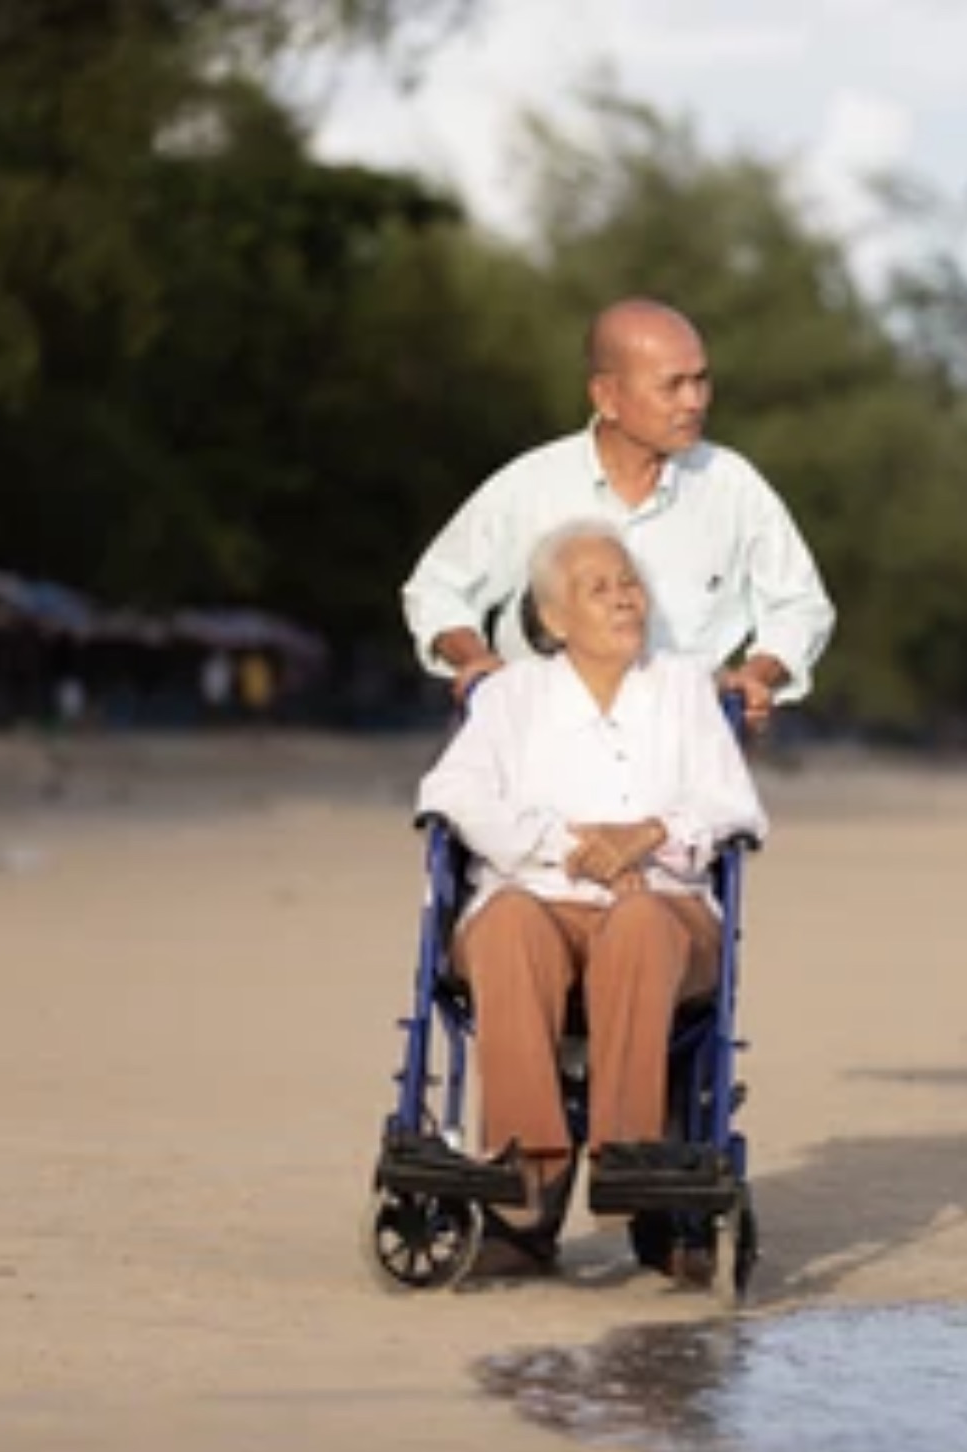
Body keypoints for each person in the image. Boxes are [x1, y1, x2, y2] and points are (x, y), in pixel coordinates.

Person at [416, 520, 769, 1269]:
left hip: (664, 908)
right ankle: (527, 1177)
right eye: (598, 588)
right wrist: (569, 847)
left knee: (639, 919)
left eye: (628, 583)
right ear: (552, 619)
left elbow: (735, 807)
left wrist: (644, 835)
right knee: (507, 922)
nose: (622, 599)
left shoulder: (683, 689)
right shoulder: (513, 696)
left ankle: (627, 1156)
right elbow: (450, 792)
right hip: (536, 897)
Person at [401, 297, 836, 728]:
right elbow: (435, 589)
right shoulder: (530, 484)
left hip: (684, 755)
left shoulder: (734, 487)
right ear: (606, 396)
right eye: (673, 385)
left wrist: (756, 676)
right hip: (537, 748)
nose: (694, 401)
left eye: (702, 380)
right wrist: (475, 660)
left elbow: (801, 606)